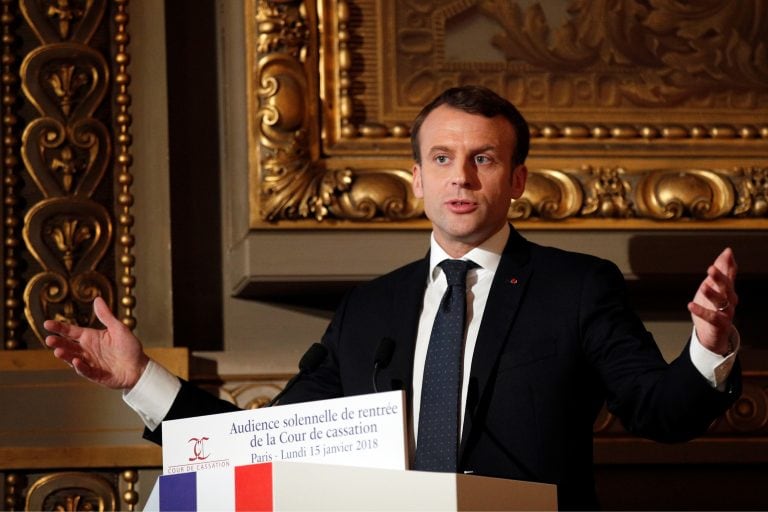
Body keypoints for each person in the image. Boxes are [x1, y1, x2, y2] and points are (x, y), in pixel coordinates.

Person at [45, 85, 741, 510]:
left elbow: (662, 411)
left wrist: (709, 349)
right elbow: (261, 445)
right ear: (416, 179)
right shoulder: (369, 311)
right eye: (442, 159)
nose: (460, 177)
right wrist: (142, 381)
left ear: (519, 180)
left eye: (484, 158)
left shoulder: (578, 288)